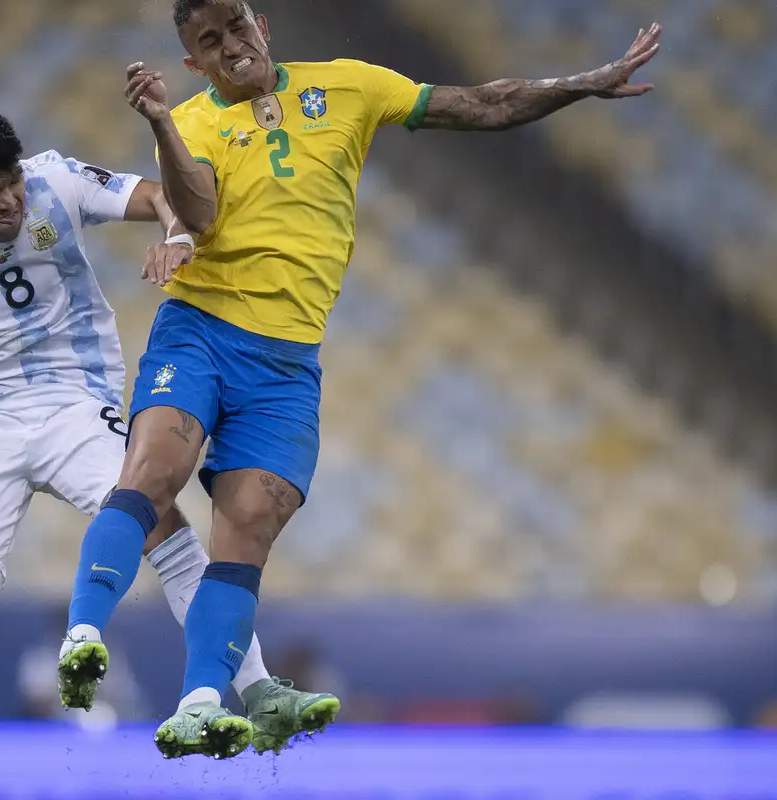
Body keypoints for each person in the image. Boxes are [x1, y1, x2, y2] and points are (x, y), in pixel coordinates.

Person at [58, 0, 662, 759]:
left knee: (246, 527)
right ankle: (82, 633)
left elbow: (482, 104)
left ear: (262, 26)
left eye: (237, 27)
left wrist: (583, 84)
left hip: (287, 363)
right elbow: (201, 217)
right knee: (154, 472)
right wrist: (158, 124)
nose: (230, 46)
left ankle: (202, 703)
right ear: (193, 63)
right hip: (202, 330)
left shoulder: (348, 85)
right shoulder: (195, 123)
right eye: (208, 41)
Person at [0, 110, 310, 799]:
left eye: (10, 183)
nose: (8, 200)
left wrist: (175, 230)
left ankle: (253, 691)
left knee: (159, 519)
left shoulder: (56, 181)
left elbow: (157, 193)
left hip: (73, 397)